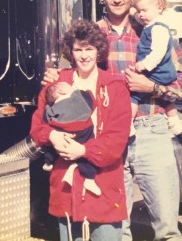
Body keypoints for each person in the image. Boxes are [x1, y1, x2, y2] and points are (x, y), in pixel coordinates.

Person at [43, 0, 182, 241]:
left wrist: (152, 88)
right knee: (116, 227)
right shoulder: (92, 35)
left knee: (167, 227)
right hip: (106, 138)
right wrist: (54, 78)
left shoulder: (154, 29)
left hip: (150, 130)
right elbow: (71, 78)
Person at [31, 19, 131, 241]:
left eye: (89, 49)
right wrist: (52, 135)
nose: (84, 55)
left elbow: (117, 139)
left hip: (103, 187)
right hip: (66, 189)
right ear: (70, 52)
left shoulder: (115, 87)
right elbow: (37, 127)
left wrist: (83, 151)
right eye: (78, 50)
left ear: (98, 51)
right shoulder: (55, 84)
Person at [131, 0, 182, 136]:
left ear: (159, 7)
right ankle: (175, 123)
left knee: (133, 94)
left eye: (144, 10)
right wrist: (134, 11)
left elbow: (158, 52)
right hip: (163, 72)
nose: (141, 15)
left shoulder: (158, 28)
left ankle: (128, 124)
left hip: (159, 70)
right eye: (139, 10)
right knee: (166, 100)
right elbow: (138, 16)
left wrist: (144, 65)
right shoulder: (151, 22)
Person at [40, 80, 100, 196]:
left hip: (63, 131)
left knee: (51, 146)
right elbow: (92, 102)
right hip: (83, 130)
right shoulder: (77, 97)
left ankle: (48, 162)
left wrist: (51, 131)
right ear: (61, 91)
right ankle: (90, 179)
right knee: (86, 153)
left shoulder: (52, 107)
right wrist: (85, 91)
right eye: (69, 86)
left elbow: (45, 119)